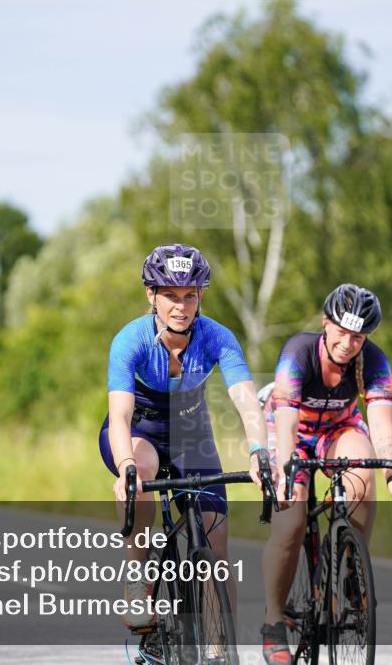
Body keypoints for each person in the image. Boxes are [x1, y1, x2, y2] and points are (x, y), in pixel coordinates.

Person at [99, 243, 275, 632]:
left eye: (190, 296)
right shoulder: (131, 340)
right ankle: (137, 578)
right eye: (170, 296)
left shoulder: (217, 337)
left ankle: (222, 644)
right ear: (152, 296)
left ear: (200, 297)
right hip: (137, 431)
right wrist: (126, 466)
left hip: (190, 431)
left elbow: (247, 401)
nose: (181, 306)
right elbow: (120, 413)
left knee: (217, 542)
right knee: (141, 472)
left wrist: (260, 451)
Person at [258, 284, 392, 664]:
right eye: (342, 332)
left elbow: (381, 426)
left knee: (363, 474)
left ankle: (351, 570)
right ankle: (274, 621)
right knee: (291, 523)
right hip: (290, 427)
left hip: (339, 428)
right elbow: (287, 422)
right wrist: (282, 471)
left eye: (357, 337)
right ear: (326, 324)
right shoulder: (298, 353)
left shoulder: (374, 361)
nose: (348, 343)